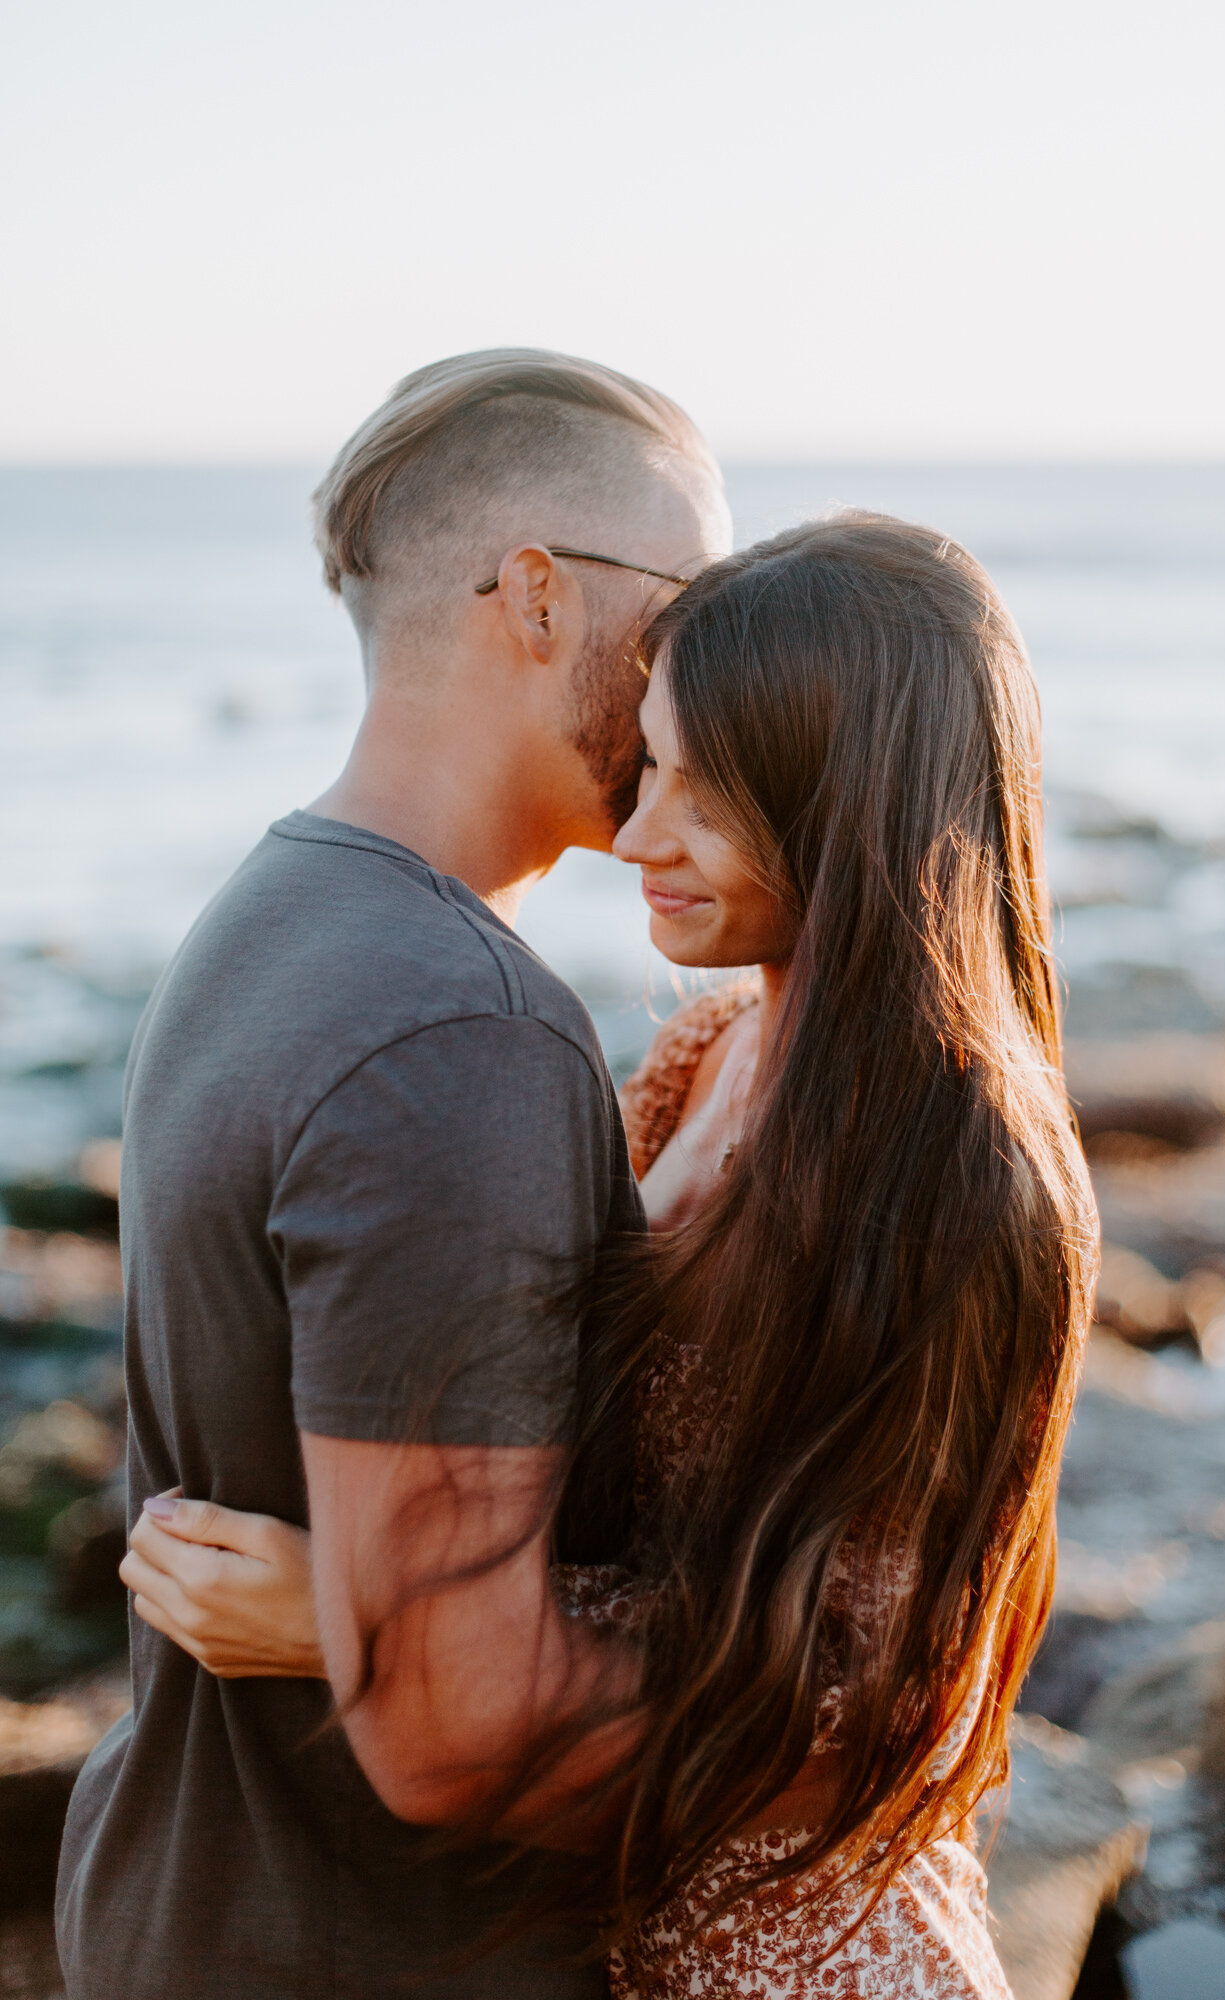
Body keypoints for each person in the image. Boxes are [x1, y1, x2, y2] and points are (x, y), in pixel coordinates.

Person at [123, 516, 1099, 1997]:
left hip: (813, 1956)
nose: (640, 833)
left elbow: (875, 1727)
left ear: (849, 801)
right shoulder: (710, 1046)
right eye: (649, 764)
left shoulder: (966, 1183)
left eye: (710, 793)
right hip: (616, 1915)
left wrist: (366, 1632)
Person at [56, 348, 731, 2000]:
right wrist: (864, 1775)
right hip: (374, 1949)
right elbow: (450, 1725)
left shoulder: (273, 913)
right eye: (688, 610)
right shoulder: (459, 1028)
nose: (710, 669)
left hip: (201, 1895)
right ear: (537, 594)